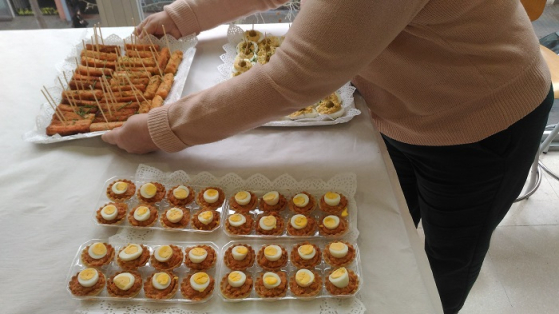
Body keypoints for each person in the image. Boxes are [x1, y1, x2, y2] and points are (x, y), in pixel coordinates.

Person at [102, 0, 553, 312]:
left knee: (448, 259)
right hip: (405, 107)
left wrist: (162, 128)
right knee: (387, 232)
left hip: (483, 120)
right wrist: (188, 15)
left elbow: (294, 78)